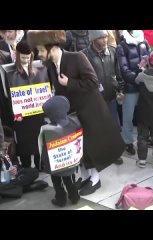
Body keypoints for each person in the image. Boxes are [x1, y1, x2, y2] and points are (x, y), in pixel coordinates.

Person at [27, 30, 125, 196]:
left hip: (91, 111)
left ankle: (95, 179)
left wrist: (69, 82)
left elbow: (93, 81)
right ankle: (85, 176)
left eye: (41, 50)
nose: (39, 54)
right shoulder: (50, 65)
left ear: (52, 48)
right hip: (72, 113)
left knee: (91, 147)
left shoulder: (77, 57)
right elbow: (57, 88)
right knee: (79, 148)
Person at [82, 30, 125, 165]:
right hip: (94, 99)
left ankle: (115, 154)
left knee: (115, 127)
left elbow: (117, 72)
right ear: (93, 39)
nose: (105, 40)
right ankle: (101, 155)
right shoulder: (84, 55)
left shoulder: (112, 51)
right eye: (101, 37)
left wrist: (120, 88)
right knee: (98, 129)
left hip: (111, 96)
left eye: (106, 37)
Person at [8, 40, 46, 170]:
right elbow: (9, 96)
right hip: (21, 115)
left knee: (37, 140)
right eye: (23, 57)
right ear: (17, 55)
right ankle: (26, 167)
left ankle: (39, 164)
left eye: (28, 57)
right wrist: (15, 113)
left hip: (36, 113)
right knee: (24, 143)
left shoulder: (38, 69)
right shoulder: (11, 72)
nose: (25, 60)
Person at [39, 96, 80, 207]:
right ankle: (74, 196)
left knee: (57, 182)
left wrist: (44, 162)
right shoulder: (74, 123)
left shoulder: (47, 130)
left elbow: (44, 148)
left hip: (55, 164)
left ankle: (60, 199)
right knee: (70, 179)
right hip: (70, 161)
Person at [116, 30, 151, 155]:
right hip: (131, 87)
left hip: (144, 86)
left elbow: (151, 60)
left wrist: (148, 70)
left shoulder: (144, 42)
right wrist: (138, 79)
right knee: (128, 117)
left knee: (144, 115)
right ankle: (128, 141)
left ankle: (144, 138)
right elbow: (123, 68)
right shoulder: (122, 46)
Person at [0, 119, 48, 199]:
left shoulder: (9, 143)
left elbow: (15, 161)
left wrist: (14, 167)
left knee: (34, 172)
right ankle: (27, 188)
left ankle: (7, 191)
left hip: (13, 175)